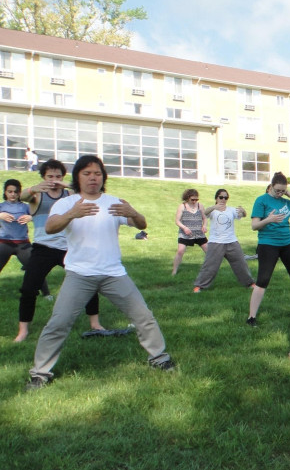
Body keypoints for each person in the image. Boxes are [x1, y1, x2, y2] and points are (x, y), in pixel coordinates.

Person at [26, 155, 175, 391]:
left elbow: (142, 224)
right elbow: (50, 226)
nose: (92, 177)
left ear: (103, 176)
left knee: (143, 316)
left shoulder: (113, 202)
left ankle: (160, 359)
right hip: (79, 273)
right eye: (86, 173)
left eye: (96, 173)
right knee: (59, 323)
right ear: (78, 178)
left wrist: (133, 213)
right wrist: (71, 214)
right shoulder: (67, 203)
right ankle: (40, 374)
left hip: (113, 273)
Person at [15, 159, 104, 342]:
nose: (54, 180)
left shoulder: (70, 194)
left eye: (57, 176)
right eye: (50, 176)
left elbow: (88, 193)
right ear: (43, 177)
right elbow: (22, 196)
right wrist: (35, 188)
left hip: (70, 247)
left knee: (89, 281)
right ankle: (23, 330)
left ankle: (95, 323)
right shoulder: (37, 195)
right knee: (29, 288)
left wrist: (66, 184)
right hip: (43, 248)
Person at [247, 172, 290, 326]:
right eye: (277, 190)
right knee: (263, 280)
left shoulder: (286, 203)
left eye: (283, 191)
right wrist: (269, 219)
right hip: (268, 244)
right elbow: (254, 226)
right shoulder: (261, 201)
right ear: (271, 186)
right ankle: (251, 317)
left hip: (287, 243)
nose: (280, 193)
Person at [192, 189, 254, 293]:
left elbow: (243, 215)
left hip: (231, 241)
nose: (223, 199)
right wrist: (214, 207)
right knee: (210, 265)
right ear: (216, 198)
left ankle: (250, 283)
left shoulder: (231, 210)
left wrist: (243, 211)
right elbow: (203, 214)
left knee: (241, 263)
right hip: (216, 242)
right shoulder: (213, 210)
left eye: (226, 197)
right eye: (221, 197)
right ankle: (199, 286)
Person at [0, 179, 35, 279]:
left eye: (15, 192)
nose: (13, 194)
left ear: (20, 193)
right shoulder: (1, 206)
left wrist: (30, 217)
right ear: (5, 192)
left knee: (34, 269)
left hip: (22, 243)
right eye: (10, 191)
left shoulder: (25, 207)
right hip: (4, 242)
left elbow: (40, 217)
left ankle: (46, 294)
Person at [171, 189, 208, 276]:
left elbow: (205, 218)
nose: (194, 201)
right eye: (192, 199)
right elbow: (177, 221)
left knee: (209, 251)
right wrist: (184, 228)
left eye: (196, 199)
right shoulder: (182, 206)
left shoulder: (200, 206)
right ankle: (174, 271)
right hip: (185, 234)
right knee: (180, 251)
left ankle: (208, 269)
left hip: (199, 233)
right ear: (187, 198)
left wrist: (204, 226)